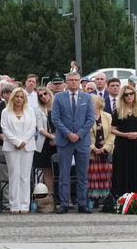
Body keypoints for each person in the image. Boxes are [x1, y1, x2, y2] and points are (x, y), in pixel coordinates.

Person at [52, 71, 96, 213]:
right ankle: (64, 203)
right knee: (64, 173)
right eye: (70, 80)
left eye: (76, 80)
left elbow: (90, 119)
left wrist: (79, 134)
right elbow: (56, 119)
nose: (73, 82)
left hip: (82, 141)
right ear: (66, 82)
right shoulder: (58, 97)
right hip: (64, 140)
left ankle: (82, 203)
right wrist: (68, 133)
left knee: (82, 174)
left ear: (80, 82)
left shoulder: (87, 97)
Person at [0, 88, 37, 214]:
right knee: (14, 175)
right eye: (17, 96)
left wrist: (23, 142)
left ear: (25, 99)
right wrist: (16, 142)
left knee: (25, 176)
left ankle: (25, 204)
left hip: (27, 146)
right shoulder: (5, 112)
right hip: (11, 147)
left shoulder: (30, 111)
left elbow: (32, 128)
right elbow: (5, 129)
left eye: (21, 97)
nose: (19, 99)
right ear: (12, 98)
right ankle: (14, 205)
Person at [110, 85, 137, 197]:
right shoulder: (117, 111)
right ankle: (121, 197)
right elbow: (112, 130)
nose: (129, 96)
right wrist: (125, 135)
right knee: (122, 170)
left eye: (131, 93)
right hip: (122, 144)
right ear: (122, 96)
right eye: (126, 94)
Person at [87, 95, 115, 203]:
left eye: (93, 101)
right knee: (92, 175)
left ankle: (105, 199)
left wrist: (106, 148)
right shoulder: (86, 116)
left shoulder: (108, 116)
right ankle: (93, 199)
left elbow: (112, 133)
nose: (91, 103)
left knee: (106, 175)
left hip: (105, 152)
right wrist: (93, 148)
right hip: (92, 152)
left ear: (99, 103)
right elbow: (84, 135)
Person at [0, 83, 14, 210]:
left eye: (9, 92)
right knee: (4, 174)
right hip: (3, 143)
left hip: (17, 144)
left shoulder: (18, 106)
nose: (7, 95)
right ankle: (5, 201)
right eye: (5, 93)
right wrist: (4, 138)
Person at [33, 87, 56, 194]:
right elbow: (40, 129)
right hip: (45, 143)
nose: (43, 96)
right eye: (40, 95)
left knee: (60, 170)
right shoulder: (39, 110)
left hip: (60, 142)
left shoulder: (57, 107)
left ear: (50, 93)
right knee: (47, 170)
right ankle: (50, 194)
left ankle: (63, 196)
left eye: (45, 94)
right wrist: (52, 137)